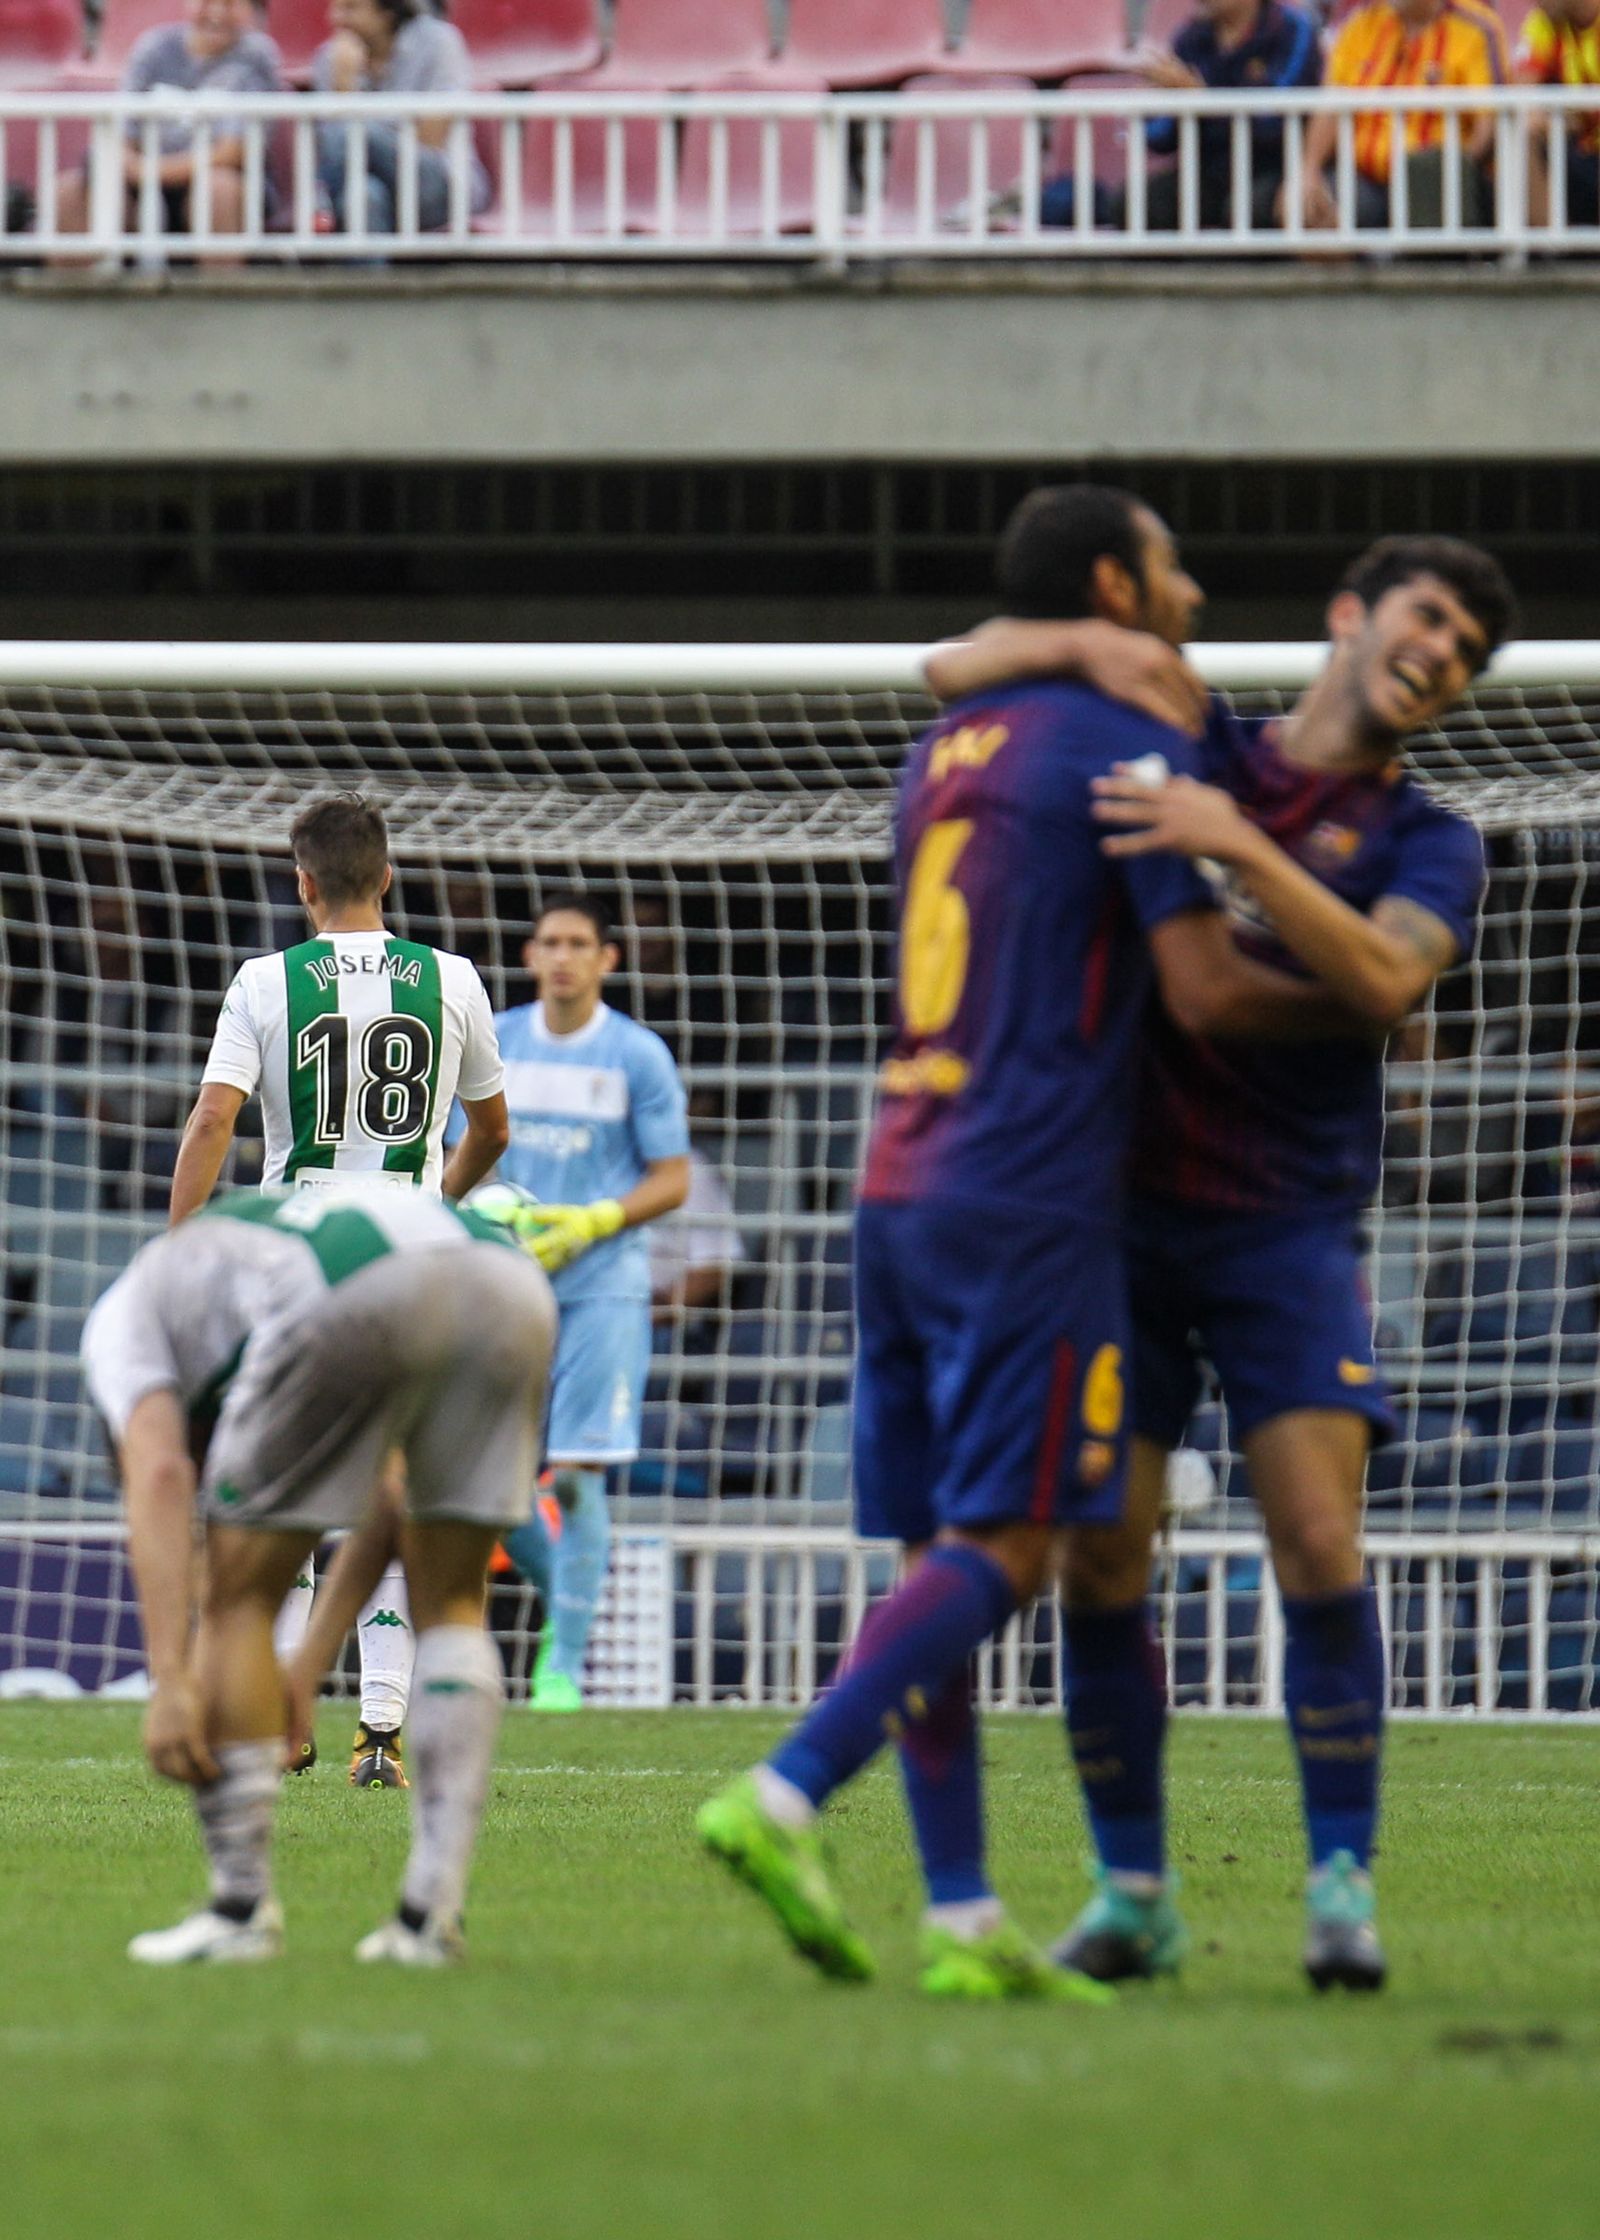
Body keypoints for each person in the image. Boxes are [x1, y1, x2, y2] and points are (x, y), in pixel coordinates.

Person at [696, 486, 1354, 2001]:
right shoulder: (1124, 749)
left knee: (936, 1545)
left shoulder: (950, 744)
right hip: (1031, 1190)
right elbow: (1198, 991)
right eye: (1176, 568)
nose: (1194, 593)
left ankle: (966, 1919)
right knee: (1014, 1544)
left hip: (900, 1175)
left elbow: (951, 664)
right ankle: (785, 1789)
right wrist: (1366, 987)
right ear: (1121, 584)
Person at [926, 530, 1517, 1993]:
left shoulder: (1432, 839)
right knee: (1100, 1552)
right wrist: (1084, 643)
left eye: (1467, 651)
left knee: (1318, 1539)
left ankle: (1340, 1891)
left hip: (1287, 1226)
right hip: (1115, 1222)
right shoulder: (1202, 738)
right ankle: (1132, 1892)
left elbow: (1384, 978)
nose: (1440, 655)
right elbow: (949, 668)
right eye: (1428, 619)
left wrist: (1238, 849)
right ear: (1350, 615)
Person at [81, 1183, 556, 1965]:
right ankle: (428, 1919)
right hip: (506, 1277)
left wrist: (169, 1680)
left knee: (238, 1591)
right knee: (452, 1601)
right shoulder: (226, 1292)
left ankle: (238, 1910)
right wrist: (307, 1664)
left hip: (356, 1289)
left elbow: (160, 1476)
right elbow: (393, 1501)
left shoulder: (121, 1325)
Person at [169, 791, 510, 1789]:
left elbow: (210, 1120)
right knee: (391, 1494)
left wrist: (181, 1254)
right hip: (411, 1263)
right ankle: (379, 1732)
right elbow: (493, 1129)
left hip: (298, 1264)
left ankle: (282, 1721)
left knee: (281, 1500)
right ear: (388, 875)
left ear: (303, 882)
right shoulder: (451, 978)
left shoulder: (264, 980)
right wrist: (431, 1198)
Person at [487, 894, 689, 1710]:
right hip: (504, 1279)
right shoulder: (495, 1041)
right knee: (491, 1482)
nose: (563, 957)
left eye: (580, 943)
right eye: (550, 943)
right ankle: (567, 1609)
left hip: (602, 1281)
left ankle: (561, 1669)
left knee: (575, 1477)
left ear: (609, 959)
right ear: (530, 956)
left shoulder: (637, 1056)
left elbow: (672, 1177)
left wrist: (598, 1218)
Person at [53, 0, 282, 261]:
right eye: (207, 1)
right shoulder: (155, 47)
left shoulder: (257, 56)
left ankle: (221, 296)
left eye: (230, 3)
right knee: (69, 192)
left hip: (217, 181)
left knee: (218, 190)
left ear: (252, 10)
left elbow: (233, 151)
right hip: (141, 182)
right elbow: (123, 132)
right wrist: (130, 165)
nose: (217, 12)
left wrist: (149, 170)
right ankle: (79, 297)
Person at [1096, 0, 1325, 236]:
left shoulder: (1293, 30)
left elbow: (1275, 119)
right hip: (1209, 174)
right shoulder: (1191, 37)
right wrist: (1161, 105)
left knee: (1248, 212)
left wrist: (1202, 99)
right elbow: (1160, 139)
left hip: (1276, 170)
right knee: (1133, 204)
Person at [1294, 0, 1509, 232]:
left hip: (1436, 183)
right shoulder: (1361, 24)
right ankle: (1355, 265)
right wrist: (1309, 171)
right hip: (1365, 178)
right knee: (1303, 205)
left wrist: (1451, 172)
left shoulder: (1475, 27)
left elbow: (1487, 125)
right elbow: (1331, 107)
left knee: (1430, 189)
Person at [312, 0, 489, 238]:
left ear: (387, 11)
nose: (336, 18)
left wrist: (363, 123)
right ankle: (371, 276)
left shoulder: (439, 42)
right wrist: (344, 86)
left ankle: (321, 205)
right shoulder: (331, 59)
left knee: (357, 132)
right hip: (367, 183)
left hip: (440, 185)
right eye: (335, 7)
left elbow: (430, 140)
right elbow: (331, 147)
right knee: (362, 197)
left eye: (350, 8)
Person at [1516, 0, 1600, 226]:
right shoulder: (1544, 20)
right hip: (1579, 151)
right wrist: (1556, 120)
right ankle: (1548, 252)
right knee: (1522, 132)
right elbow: (1520, 96)